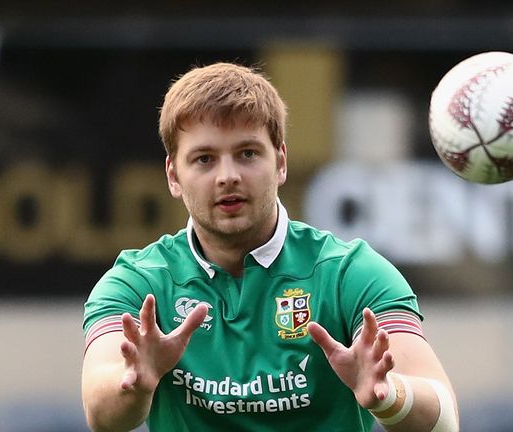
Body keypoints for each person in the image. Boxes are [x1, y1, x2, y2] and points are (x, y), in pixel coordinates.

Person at [81, 62, 459, 432]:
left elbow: (444, 419)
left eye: (247, 153)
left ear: (280, 162)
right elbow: (102, 415)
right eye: (204, 159)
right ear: (173, 175)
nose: (228, 176)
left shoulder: (350, 273)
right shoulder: (136, 283)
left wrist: (389, 396)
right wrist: (136, 384)